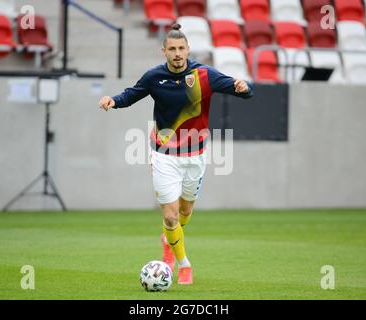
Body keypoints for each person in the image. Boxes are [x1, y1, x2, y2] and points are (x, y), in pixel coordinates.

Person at [99, 24, 254, 285]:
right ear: (164, 52)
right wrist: (112, 101)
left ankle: (169, 237)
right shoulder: (153, 77)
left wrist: (244, 87)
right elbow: (131, 94)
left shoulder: (205, 75)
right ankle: (183, 264)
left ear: (188, 49)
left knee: (185, 212)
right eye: (172, 49)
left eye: (181, 48)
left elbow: (242, 89)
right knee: (170, 217)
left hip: (196, 156)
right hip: (164, 155)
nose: (177, 53)